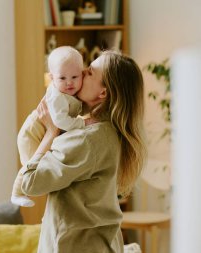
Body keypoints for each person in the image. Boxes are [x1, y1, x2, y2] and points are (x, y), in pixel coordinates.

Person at [21, 50, 147, 252]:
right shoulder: (108, 132)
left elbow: (30, 182)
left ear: (103, 93)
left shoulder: (86, 139)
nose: (80, 72)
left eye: (89, 72)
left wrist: (50, 133)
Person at [11, 46, 89, 207]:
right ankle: (17, 193)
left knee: (44, 169)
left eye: (75, 76)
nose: (69, 82)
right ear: (52, 78)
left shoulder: (70, 92)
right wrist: (82, 123)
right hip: (31, 134)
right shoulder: (56, 96)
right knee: (31, 167)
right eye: (62, 78)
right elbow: (60, 122)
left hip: (44, 133)